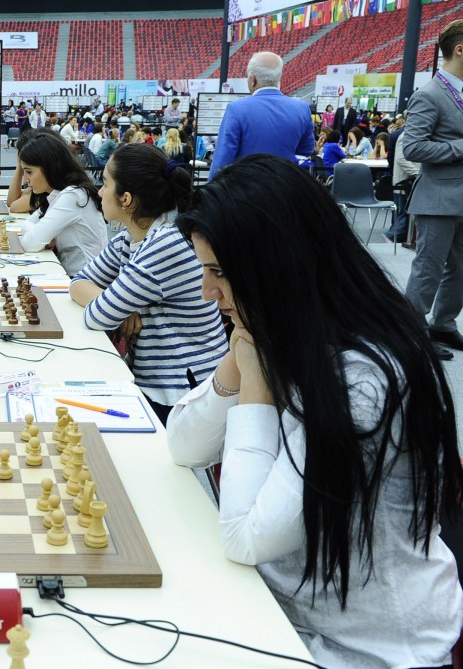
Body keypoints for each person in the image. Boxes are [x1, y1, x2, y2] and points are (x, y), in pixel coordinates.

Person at [165, 154, 463, 669]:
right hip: (284, 612)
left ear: (279, 265)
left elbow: (246, 537)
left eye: (219, 273)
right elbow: (183, 445)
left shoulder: (364, 378)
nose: (207, 293)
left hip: (367, 649)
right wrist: (238, 361)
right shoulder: (288, 329)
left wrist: (256, 385)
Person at [70, 144, 227, 424]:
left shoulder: (165, 243)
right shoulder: (130, 239)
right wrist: (119, 305)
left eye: (105, 183)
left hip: (184, 395)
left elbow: (96, 316)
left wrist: (113, 305)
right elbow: (78, 283)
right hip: (159, 382)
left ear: (126, 199)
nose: (100, 192)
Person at [403, 19, 463, 361]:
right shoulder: (429, 94)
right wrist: (459, 148)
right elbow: (413, 147)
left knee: (460, 270)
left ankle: (443, 324)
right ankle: (412, 332)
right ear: (460, 49)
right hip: (438, 198)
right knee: (428, 269)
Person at [208, 52, 314, 180]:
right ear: (278, 78)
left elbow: (222, 160)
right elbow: (306, 150)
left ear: (252, 79)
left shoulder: (236, 109)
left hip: (247, 185)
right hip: (285, 185)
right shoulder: (302, 109)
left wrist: (210, 187)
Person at [17, 132, 108, 276]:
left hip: (86, 279)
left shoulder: (73, 195)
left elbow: (30, 243)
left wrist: (40, 235)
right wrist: (41, 234)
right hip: (72, 274)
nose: (25, 180)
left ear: (49, 168)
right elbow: (27, 224)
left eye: (29, 172)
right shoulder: (57, 193)